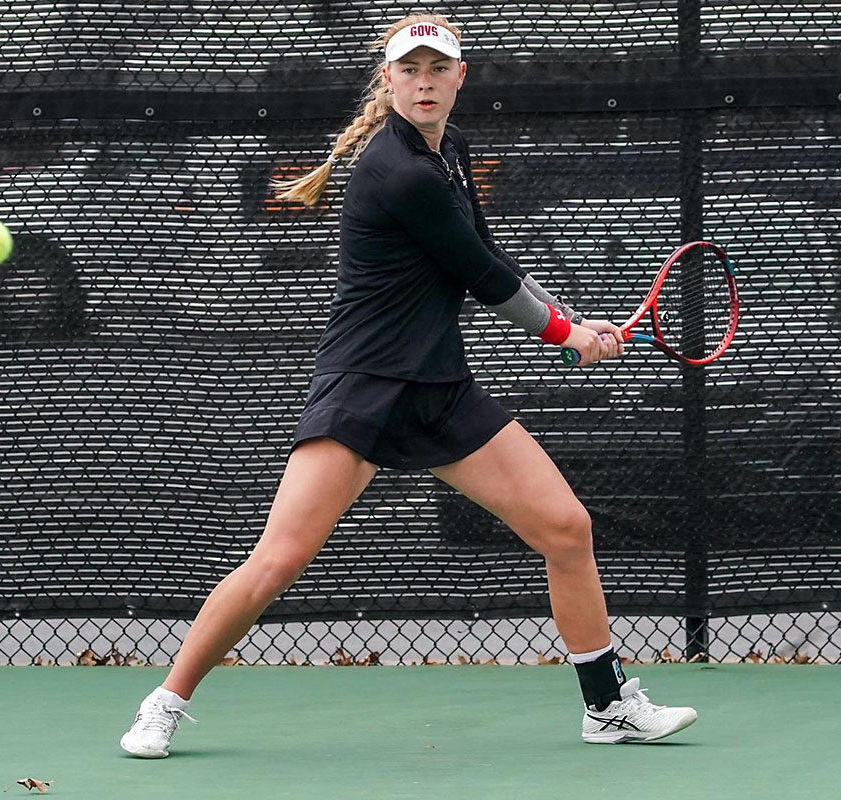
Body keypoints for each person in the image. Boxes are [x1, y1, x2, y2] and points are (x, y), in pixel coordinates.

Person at [120, 13, 697, 758]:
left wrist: (572, 320)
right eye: (409, 69)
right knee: (280, 559)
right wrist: (566, 336)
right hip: (364, 387)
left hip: (440, 388)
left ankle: (608, 706)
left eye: (438, 68)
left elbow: (490, 252)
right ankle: (163, 703)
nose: (424, 82)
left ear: (461, 77)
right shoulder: (400, 171)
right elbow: (482, 275)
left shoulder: (449, 151)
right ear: (388, 80)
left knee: (567, 528)